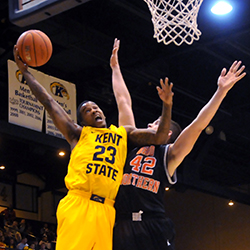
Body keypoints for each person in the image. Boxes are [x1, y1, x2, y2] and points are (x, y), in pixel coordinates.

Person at [13, 40, 173, 250]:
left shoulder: (123, 134)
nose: (94, 110)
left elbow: (160, 137)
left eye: (96, 107)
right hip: (79, 203)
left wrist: (167, 105)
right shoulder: (78, 133)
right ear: (82, 121)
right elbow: (50, 103)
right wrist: (26, 73)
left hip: (107, 209)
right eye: (88, 110)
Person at [110, 38, 246, 250]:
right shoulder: (130, 141)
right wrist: (115, 68)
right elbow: (123, 102)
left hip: (153, 224)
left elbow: (198, 125)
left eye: (155, 123)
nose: (148, 124)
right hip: (122, 223)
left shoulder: (169, 154)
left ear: (168, 132)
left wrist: (221, 91)